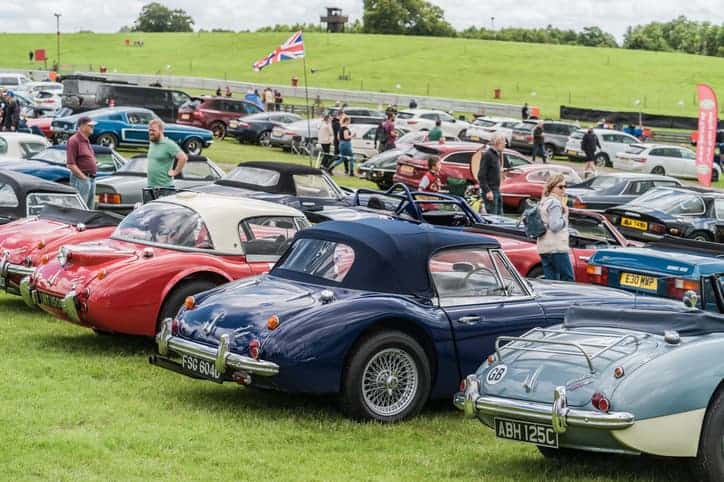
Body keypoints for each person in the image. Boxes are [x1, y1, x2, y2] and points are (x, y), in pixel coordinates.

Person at [537, 174, 574, 281]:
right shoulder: (555, 203)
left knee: (551, 281)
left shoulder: (544, 201)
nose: (564, 189)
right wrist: (565, 215)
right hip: (557, 248)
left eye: (565, 186)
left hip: (544, 247)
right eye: (560, 187)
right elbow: (554, 226)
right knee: (568, 279)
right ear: (552, 187)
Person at [146, 119, 188, 193]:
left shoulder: (169, 144)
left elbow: (183, 158)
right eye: (149, 130)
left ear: (161, 131)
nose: (150, 132)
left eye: (153, 130)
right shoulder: (152, 143)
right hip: (150, 187)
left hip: (164, 188)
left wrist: (175, 172)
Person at [66, 116, 98, 209]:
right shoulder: (74, 140)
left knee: (89, 209)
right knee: (80, 209)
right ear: (82, 126)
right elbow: (70, 164)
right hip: (81, 179)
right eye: (90, 125)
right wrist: (84, 178)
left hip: (91, 179)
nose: (93, 127)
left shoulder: (86, 140)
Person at [477, 134, 507, 215]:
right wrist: (488, 191)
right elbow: (481, 175)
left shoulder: (496, 154)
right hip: (491, 191)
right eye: (504, 143)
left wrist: (499, 171)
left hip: (496, 190)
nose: (505, 145)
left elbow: (492, 170)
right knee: (493, 218)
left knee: (500, 217)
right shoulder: (488, 155)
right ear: (498, 142)